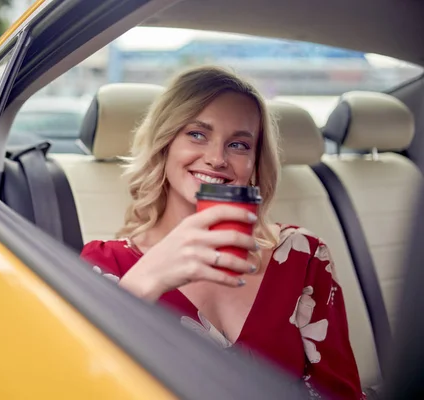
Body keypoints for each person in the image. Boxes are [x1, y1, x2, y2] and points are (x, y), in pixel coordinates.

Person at [81, 66, 365, 399]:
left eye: (239, 144)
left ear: (255, 164)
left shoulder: (304, 256)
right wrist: (146, 280)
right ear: (165, 144)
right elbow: (82, 380)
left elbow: (339, 392)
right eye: (197, 134)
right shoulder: (107, 264)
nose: (217, 159)